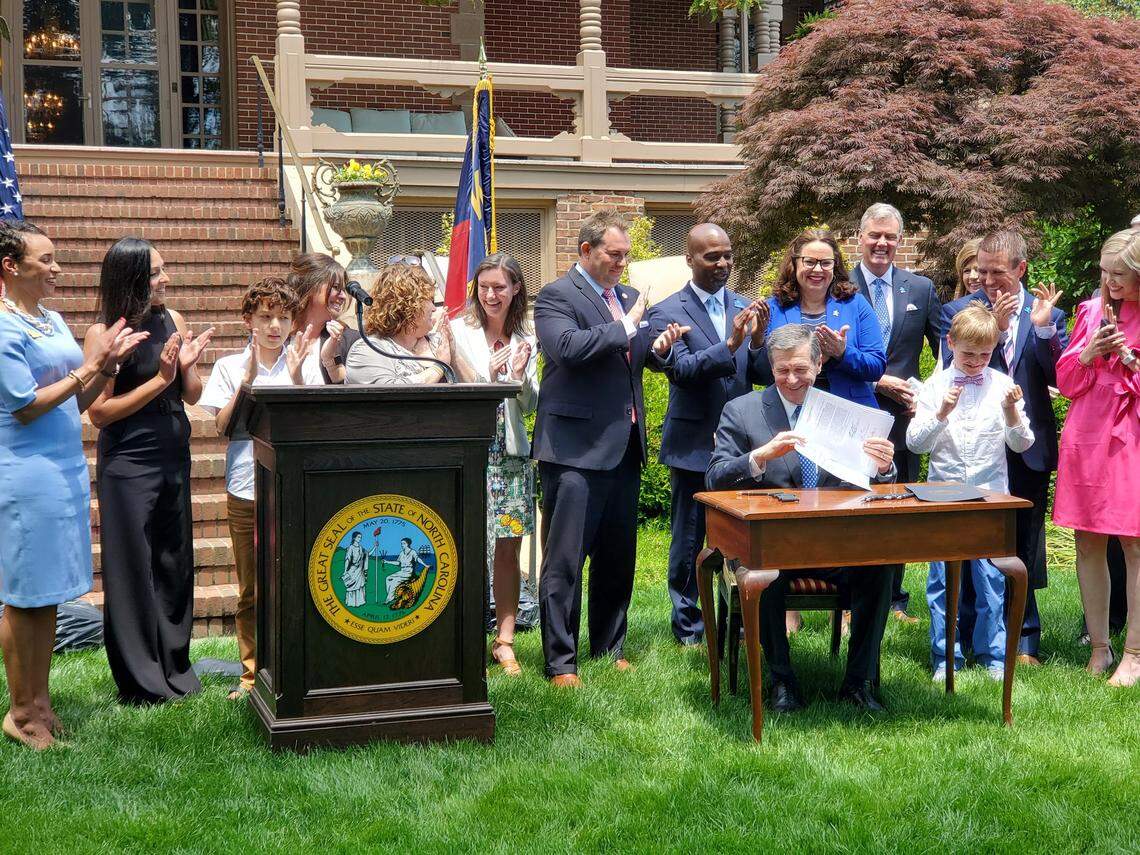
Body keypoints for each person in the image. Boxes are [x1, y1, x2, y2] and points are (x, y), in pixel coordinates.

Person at [0, 222, 146, 748]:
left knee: (46, 598)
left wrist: (109, 369)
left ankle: (41, 703)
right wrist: (92, 366)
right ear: (11, 266)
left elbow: (76, 403)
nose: (58, 268)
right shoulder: (2, 327)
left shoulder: (52, 319)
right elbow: (25, 406)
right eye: (47, 259)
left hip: (62, 467)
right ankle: (19, 712)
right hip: (24, 471)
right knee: (23, 596)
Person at [706, 323, 897, 712]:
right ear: (771, 367)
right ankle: (782, 680)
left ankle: (859, 682)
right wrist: (759, 457)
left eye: (800, 370)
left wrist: (883, 469)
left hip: (832, 543)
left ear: (818, 363)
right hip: (770, 544)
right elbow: (714, 476)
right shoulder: (741, 411)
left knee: (882, 564)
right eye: (782, 371)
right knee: (766, 568)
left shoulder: (843, 412)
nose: (792, 379)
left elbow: (870, 480)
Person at [532, 210, 687, 687]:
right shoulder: (557, 296)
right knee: (566, 561)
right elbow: (569, 349)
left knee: (618, 556)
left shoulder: (625, 299)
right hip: (575, 451)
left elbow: (632, 359)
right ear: (586, 251)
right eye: (613, 255)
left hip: (623, 447)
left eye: (626, 256)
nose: (622, 264)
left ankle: (608, 645)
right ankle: (561, 661)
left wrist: (657, 345)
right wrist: (628, 327)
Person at [84, 237, 214, 705]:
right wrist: (159, 380)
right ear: (133, 279)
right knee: (134, 567)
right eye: (156, 272)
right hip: (128, 462)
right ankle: (142, 681)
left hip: (173, 454)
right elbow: (100, 412)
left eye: (164, 270)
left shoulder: (173, 319)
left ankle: (176, 668)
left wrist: (186, 369)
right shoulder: (104, 334)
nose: (166, 279)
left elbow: (192, 395)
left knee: (174, 564)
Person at [940, 231, 1067, 666]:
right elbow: (956, 371)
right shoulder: (959, 312)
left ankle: (1026, 638)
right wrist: (991, 324)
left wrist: (1045, 327)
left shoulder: (1048, 313)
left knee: (1025, 542)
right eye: (981, 270)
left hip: (1028, 444)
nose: (987, 280)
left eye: (998, 272)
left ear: (1020, 269)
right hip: (976, 449)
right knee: (971, 537)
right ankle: (971, 633)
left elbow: (1062, 375)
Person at [647, 223, 771, 646]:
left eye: (728, 255)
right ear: (690, 259)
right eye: (712, 257)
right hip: (693, 444)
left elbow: (759, 375)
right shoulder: (667, 311)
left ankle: (737, 619)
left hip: (741, 445)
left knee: (739, 538)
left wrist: (756, 341)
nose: (723, 264)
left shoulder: (743, 306)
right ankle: (689, 625)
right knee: (688, 538)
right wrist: (733, 343)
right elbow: (681, 372)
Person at [198, 277, 316, 699]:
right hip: (247, 490)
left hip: (292, 488)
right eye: (266, 317)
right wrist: (247, 381)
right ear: (249, 319)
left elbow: (312, 428)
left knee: (295, 579)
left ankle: (293, 666)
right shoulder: (230, 366)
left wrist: (300, 377)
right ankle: (250, 673)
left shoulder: (303, 361)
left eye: (283, 318)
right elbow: (224, 428)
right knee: (252, 587)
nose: (274, 326)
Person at [907, 305, 1033, 680]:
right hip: (943, 497)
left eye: (984, 354)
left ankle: (993, 655)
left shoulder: (1001, 386)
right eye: (967, 354)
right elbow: (915, 445)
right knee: (942, 581)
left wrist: (1011, 412)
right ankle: (945, 656)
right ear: (950, 344)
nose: (976, 362)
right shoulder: (934, 387)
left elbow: (1023, 443)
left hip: (990, 496)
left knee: (991, 581)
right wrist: (941, 413)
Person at [1053, 228, 1140, 687]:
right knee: (1088, 540)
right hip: (1088, 432)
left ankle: (1134, 654)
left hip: (1132, 436)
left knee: (1134, 543)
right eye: (1105, 274)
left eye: (1120, 276)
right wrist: (1088, 353)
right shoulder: (1090, 311)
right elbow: (1067, 382)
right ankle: (1100, 648)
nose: (1110, 284)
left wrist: (1129, 360)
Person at [849, 203, 942, 625]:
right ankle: (849, 597)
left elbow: (946, 354)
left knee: (897, 500)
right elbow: (831, 355)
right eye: (874, 235)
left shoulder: (920, 289)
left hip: (905, 418)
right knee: (849, 500)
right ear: (860, 237)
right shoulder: (839, 285)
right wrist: (877, 381)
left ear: (900, 241)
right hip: (853, 407)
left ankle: (895, 598)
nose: (882, 243)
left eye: (890, 237)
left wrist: (928, 394)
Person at [449, 254, 539, 675]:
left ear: (516, 288)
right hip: (468, 447)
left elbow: (532, 403)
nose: (490, 295)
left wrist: (518, 378)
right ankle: (465, 638)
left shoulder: (527, 337)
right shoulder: (456, 331)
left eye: (499, 287)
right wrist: (488, 375)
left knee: (509, 544)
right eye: (484, 286)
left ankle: (504, 641)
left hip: (512, 452)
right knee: (468, 544)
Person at [764, 228, 886, 408]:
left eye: (826, 263)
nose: (818, 269)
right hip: (788, 410)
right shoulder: (774, 308)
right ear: (795, 263)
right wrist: (758, 340)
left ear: (835, 266)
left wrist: (842, 353)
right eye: (810, 262)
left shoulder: (856, 304)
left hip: (847, 409)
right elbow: (759, 371)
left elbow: (877, 367)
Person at [345, 263, 474, 385]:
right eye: (429, 300)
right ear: (408, 306)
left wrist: (454, 355)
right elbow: (390, 395)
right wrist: (439, 367)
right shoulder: (368, 350)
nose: (434, 308)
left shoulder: (439, 342)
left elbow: (480, 388)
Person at [288, 252, 358, 385]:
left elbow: (357, 397)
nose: (343, 296)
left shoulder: (350, 342)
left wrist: (332, 360)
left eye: (344, 290)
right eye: (336, 288)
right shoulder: (277, 338)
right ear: (311, 286)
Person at [342, 532, 368, 608]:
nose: (360, 538)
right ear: (354, 538)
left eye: (360, 537)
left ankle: (360, 602)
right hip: (353, 570)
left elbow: (367, 554)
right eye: (358, 537)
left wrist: (374, 547)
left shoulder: (361, 548)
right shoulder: (351, 548)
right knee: (351, 586)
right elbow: (347, 559)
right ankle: (351, 603)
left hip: (360, 570)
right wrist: (345, 570)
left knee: (360, 586)